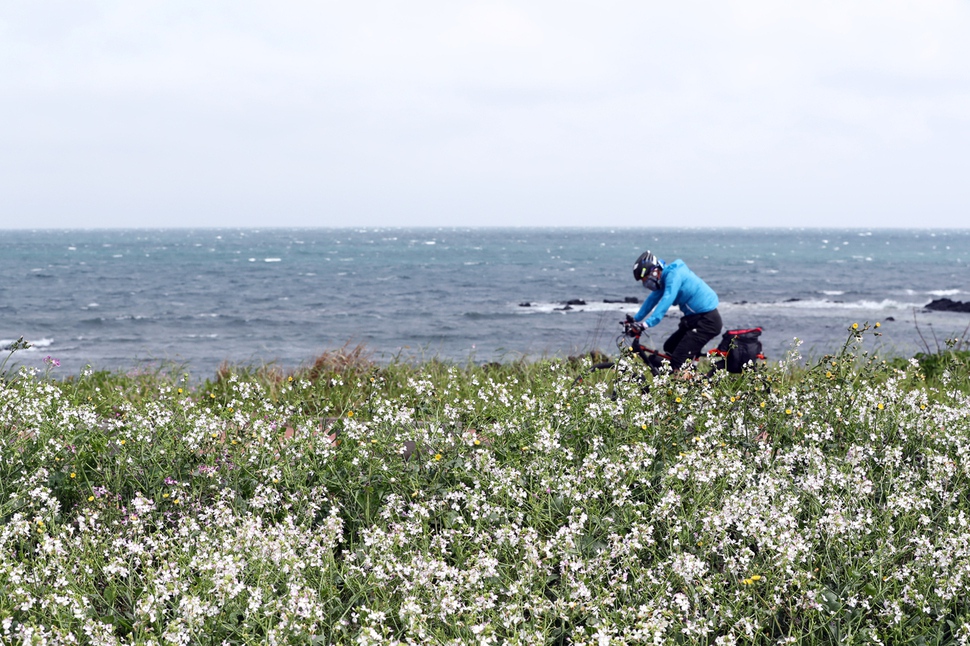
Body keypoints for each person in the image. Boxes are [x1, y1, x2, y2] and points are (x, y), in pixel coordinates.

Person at [629, 250, 722, 375]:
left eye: (645, 279)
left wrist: (646, 324)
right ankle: (688, 377)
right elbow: (652, 299)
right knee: (670, 347)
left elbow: (667, 299)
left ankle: (691, 388)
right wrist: (635, 320)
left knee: (678, 360)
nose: (646, 283)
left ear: (655, 271)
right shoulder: (664, 278)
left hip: (707, 321)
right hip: (694, 320)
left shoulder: (673, 276)